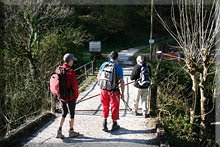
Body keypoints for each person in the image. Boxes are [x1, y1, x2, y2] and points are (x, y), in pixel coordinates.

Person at [97, 51, 125, 132]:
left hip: (103, 90)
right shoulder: (118, 67)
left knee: (105, 106)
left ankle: (104, 123)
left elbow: (98, 77)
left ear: (110, 57)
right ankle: (114, 124)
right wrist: (122, 93)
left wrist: (103, 85)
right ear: (117, 58)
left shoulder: (104, 65)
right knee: (114, 107)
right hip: (114, 91)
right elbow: (122, 82)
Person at [56, 53, 79, 138]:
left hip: (62, 96)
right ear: (69, 61)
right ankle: (71, 131)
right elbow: (75, 86)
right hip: (70, 97)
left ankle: (59, 131)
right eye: (72, 60)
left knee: (63, 113)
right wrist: (76, 96)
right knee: (71, 114)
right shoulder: (71, 71)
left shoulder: (59, 69)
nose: (73, 62)